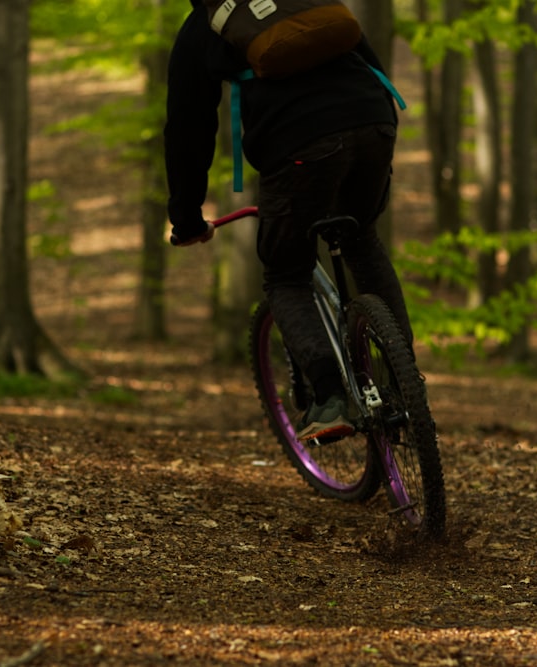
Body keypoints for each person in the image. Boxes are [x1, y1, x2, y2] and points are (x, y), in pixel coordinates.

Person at [164, 0, 413, 442]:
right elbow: (363, 52)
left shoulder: (205, 27)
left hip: (299, 145)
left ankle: (330, 399)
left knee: (286, 273)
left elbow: (188, 130)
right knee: (362, 240)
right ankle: (406, 384)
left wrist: (186, 218)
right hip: (373, 119)